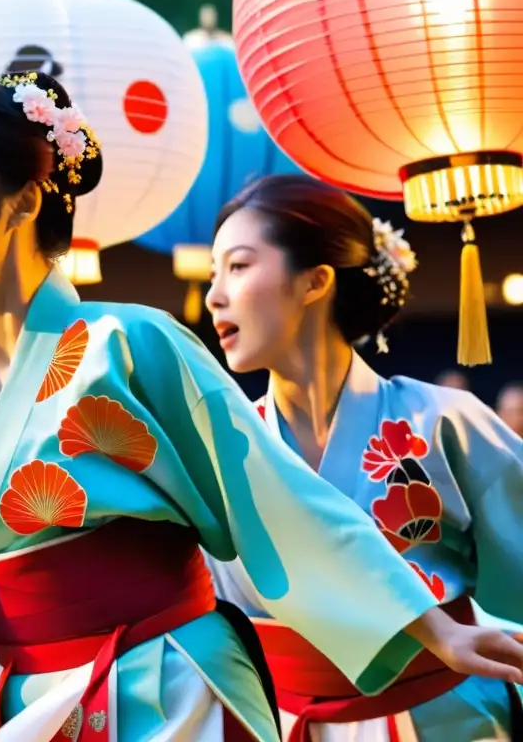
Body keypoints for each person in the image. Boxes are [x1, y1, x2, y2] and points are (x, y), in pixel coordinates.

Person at [0, 73, 523, 742]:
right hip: (22, 696)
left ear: (24, 200)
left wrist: (423, 626)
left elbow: (272, 498)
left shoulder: (132, 345)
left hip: (163, 690)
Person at [203, 173, 523, 741]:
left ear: (315, 281)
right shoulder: (221, 446)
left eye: (239, 266)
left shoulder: (445, 420)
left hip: (445, 714)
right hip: (283, 719)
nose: (214, 296)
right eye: (213, 273)